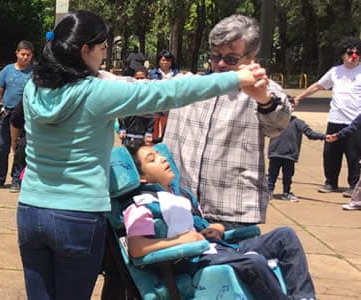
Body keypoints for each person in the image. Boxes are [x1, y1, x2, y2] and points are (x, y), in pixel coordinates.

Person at [18, 11, 268, 299]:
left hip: (30, 212)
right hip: (77, 218)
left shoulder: (33, 87)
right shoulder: (95, 93)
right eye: (102, 49)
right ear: (84, 50)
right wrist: (235, 79)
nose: (103, 56)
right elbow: (167, 92)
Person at [123, 144, 317, 300]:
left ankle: (304, 297)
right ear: (141, 177)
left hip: (219, 247)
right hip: (193, 260)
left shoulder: (183, 195)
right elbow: (136, 247)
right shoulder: (142, 206)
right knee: (253, 262)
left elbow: (200, 227)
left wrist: (215, 228)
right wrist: (181, 241)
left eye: (159, 154)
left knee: (285, 236)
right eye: (152, 159)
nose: (163, 158)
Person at [163, 15, 292, 229]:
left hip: (233, 212)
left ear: (251, 56)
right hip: (181, 206)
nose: (221, 64)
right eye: (215, 56)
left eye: (231, 58)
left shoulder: (262, 90)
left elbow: (278, 123)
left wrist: (262, 99)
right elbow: (141, 93)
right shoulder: (190, 86)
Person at [293, 36, 361, 197]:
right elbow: (318, 85)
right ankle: (331, 182)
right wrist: (299, 97)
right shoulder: (335, 72)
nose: (353, 56)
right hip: (335, 120)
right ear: (343, 54)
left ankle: (353, 185)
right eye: (350, 52)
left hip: (355, 122)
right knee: (330, 153)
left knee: (354, 155)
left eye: (357, 53)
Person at [0, 41, 34, 193]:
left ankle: (17, 179)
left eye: (28, 55)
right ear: (17, 53)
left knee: (21, 149)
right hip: (6, 114)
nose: (25, 57)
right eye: (22, 54)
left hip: (26, 117)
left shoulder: (35, 72)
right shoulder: (7, 70)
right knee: (1, 147)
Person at [268, 116, 326, 201]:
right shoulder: (274, 119)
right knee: (272, 175)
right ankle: (269, 192)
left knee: (287, 176)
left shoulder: (298, 122)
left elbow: (310, 134)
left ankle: (285, 192)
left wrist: (324, 137)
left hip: (289, 155)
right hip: (276, 153)